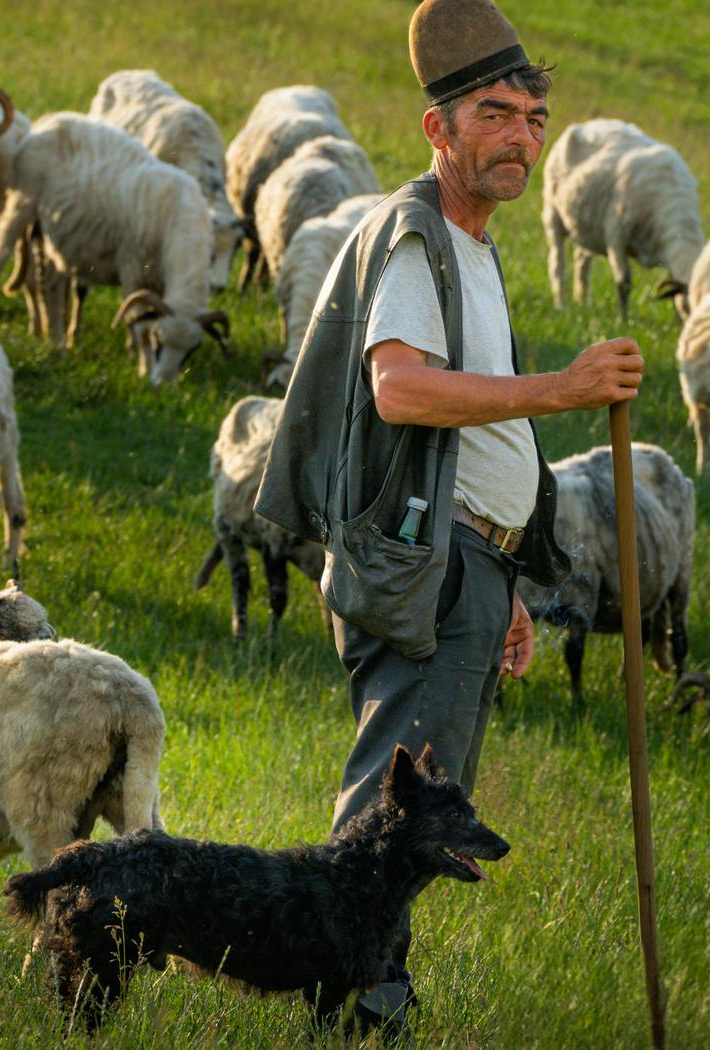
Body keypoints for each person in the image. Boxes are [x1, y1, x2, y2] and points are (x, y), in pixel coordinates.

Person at [253, 0, 644, 1031]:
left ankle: (368, 989)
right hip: (431, 571)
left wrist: (503, 576)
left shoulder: (471, 244)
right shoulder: (419, 236)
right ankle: (358, 1002)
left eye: (533, 119)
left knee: (424, 802)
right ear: (439, 128)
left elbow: (466, 436)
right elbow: (403, 391)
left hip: (466, 566)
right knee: (397, 811)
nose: (521, 138)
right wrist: (564, 390)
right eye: (495, 115)